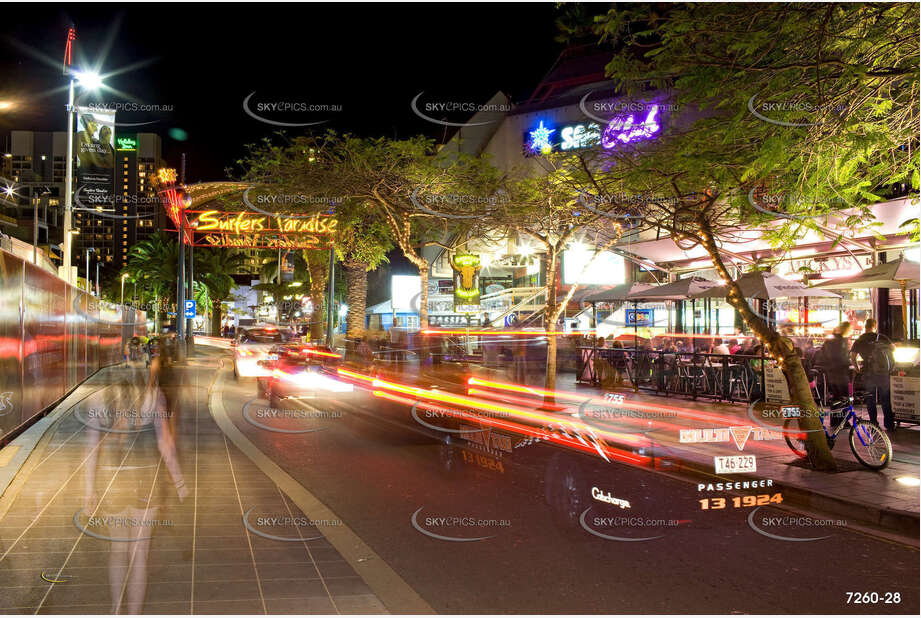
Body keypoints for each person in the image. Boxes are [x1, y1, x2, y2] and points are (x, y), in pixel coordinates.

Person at [850, 318, 895, 431]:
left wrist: (857, 368)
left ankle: (873, 424)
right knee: (885, 398)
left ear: (865, 327)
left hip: (868, 372)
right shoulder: (881, 337)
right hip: (883, 372)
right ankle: (889, 424)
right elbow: (893, 349)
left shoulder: (860, 340)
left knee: (870, 399)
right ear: (875, 326)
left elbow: (853, 357)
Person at [819, 322, 852, 402]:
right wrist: (849, 363)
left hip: (831, 371)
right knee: (844, 395)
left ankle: (835, 413)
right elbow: (843, 357)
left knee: (836, 395)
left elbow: (823, 353)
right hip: (841, 371)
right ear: (847, 330)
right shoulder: (842, 341)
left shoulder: (829, 340)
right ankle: (844, 413)